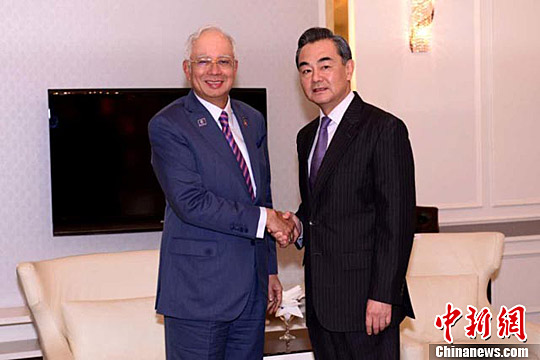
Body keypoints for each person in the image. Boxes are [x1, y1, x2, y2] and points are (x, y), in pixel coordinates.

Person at [148, 26, 296, 359]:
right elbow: (191, 202)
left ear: (235, 67)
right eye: (204, 61)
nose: (215, 71)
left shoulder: (252, 120)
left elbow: (263, 195)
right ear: (188, 69)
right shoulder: (169, 125)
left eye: (223, 61)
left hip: (252, 292)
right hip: (198, 293)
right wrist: (267, 220)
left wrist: (270, 269)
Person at [287, 27, 416, 359]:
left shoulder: (384, 129)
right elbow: (317, 208)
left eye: (325, 65)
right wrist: (297, 225)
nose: (315, 76)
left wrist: (384, 295)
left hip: (367, 305)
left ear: (349, 68)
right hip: (321, 304)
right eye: (306, 69)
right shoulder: (306, 138)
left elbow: (397, 223)